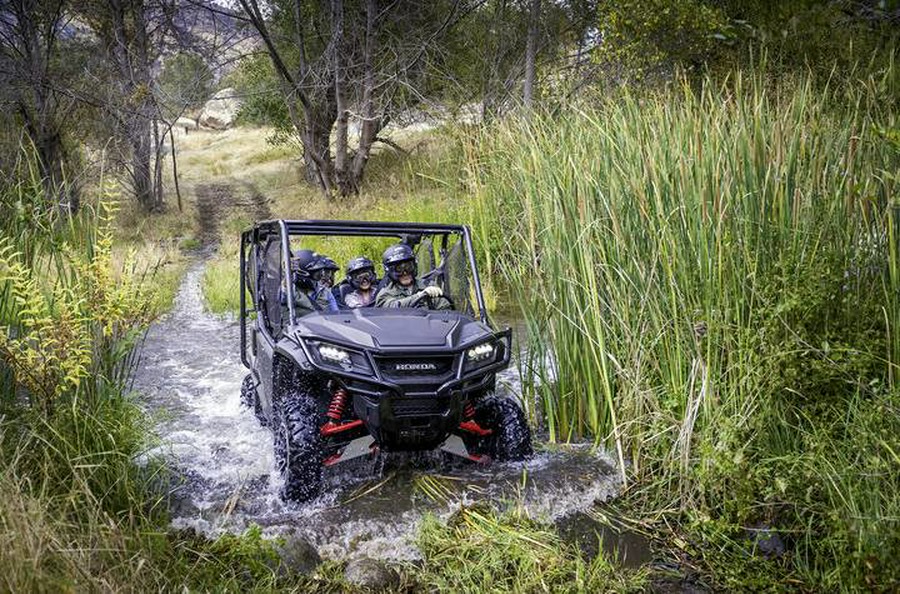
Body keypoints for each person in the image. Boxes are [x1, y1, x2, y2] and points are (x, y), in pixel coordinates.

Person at [374, 243, 452, 310]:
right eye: (399, 269)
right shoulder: (385, 294)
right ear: (390, 271)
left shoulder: (428, 285)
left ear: (414, 266)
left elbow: (445, 310)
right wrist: (420, 295)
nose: (405, 273)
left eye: (408, 267)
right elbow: (389, 309)